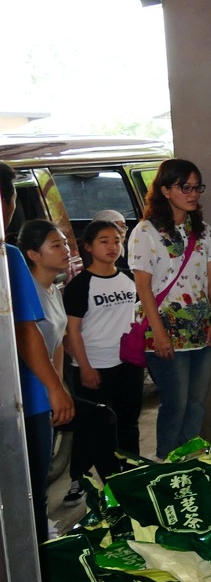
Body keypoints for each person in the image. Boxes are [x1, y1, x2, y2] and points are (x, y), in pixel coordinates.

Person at [128, 159, 211, 457]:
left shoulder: (204, 231)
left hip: (200, 328)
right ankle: (168, 462)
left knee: (197, 401)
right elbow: (143, 287)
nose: (193, 193)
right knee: (175, 401)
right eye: (185, 187)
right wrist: (158, 334)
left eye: (197, 187)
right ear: (166, 190)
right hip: (165, 330)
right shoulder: (145, 232)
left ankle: (190, 457)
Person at [63, 219, 143, 499]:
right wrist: (85, 367)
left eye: (117, 240)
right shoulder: (80, 285)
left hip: (127, 363)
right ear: (88, 246)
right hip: (94, 366)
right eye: (104, 241)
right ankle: (82, 479)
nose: (112, 247)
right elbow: (73, 330)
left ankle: (132, 473)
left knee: (128, 422)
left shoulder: (130, 278)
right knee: (94, 428)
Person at [16, 218, 74, 540]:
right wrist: (52, 389)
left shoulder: (55, 288)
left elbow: (58, 343)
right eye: (56, 245)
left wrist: (61, 387)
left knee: (42, 471)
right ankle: (36, 542)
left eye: (65, 243)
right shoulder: (28, 293)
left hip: (47, 392)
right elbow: (28, 339)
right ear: (33, 255)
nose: (66, 249)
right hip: (29, 395)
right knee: (32, 477)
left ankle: (41, 527)